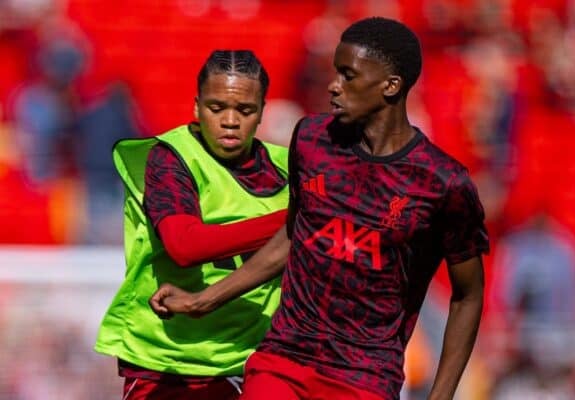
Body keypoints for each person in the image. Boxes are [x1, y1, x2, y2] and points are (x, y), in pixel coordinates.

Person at [151, 17, 489, 400]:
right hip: (286, 357)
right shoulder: (312, 140)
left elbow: (468, 295)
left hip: (363, 377)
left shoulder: (443, 182)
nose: (333, 86)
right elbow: (294, 236)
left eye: (348, 76)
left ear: (390, 86)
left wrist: (440, 396)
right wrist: (204, 299)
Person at [94, 50, 289, 400]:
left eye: (245, 110)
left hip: (250, 360)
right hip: (168, 360)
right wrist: (295, 220)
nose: (230, 120)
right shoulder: (170, 158)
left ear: (261, 112)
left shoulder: (289, 169)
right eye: (217, 108)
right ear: (197, 107)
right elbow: (185, 246)